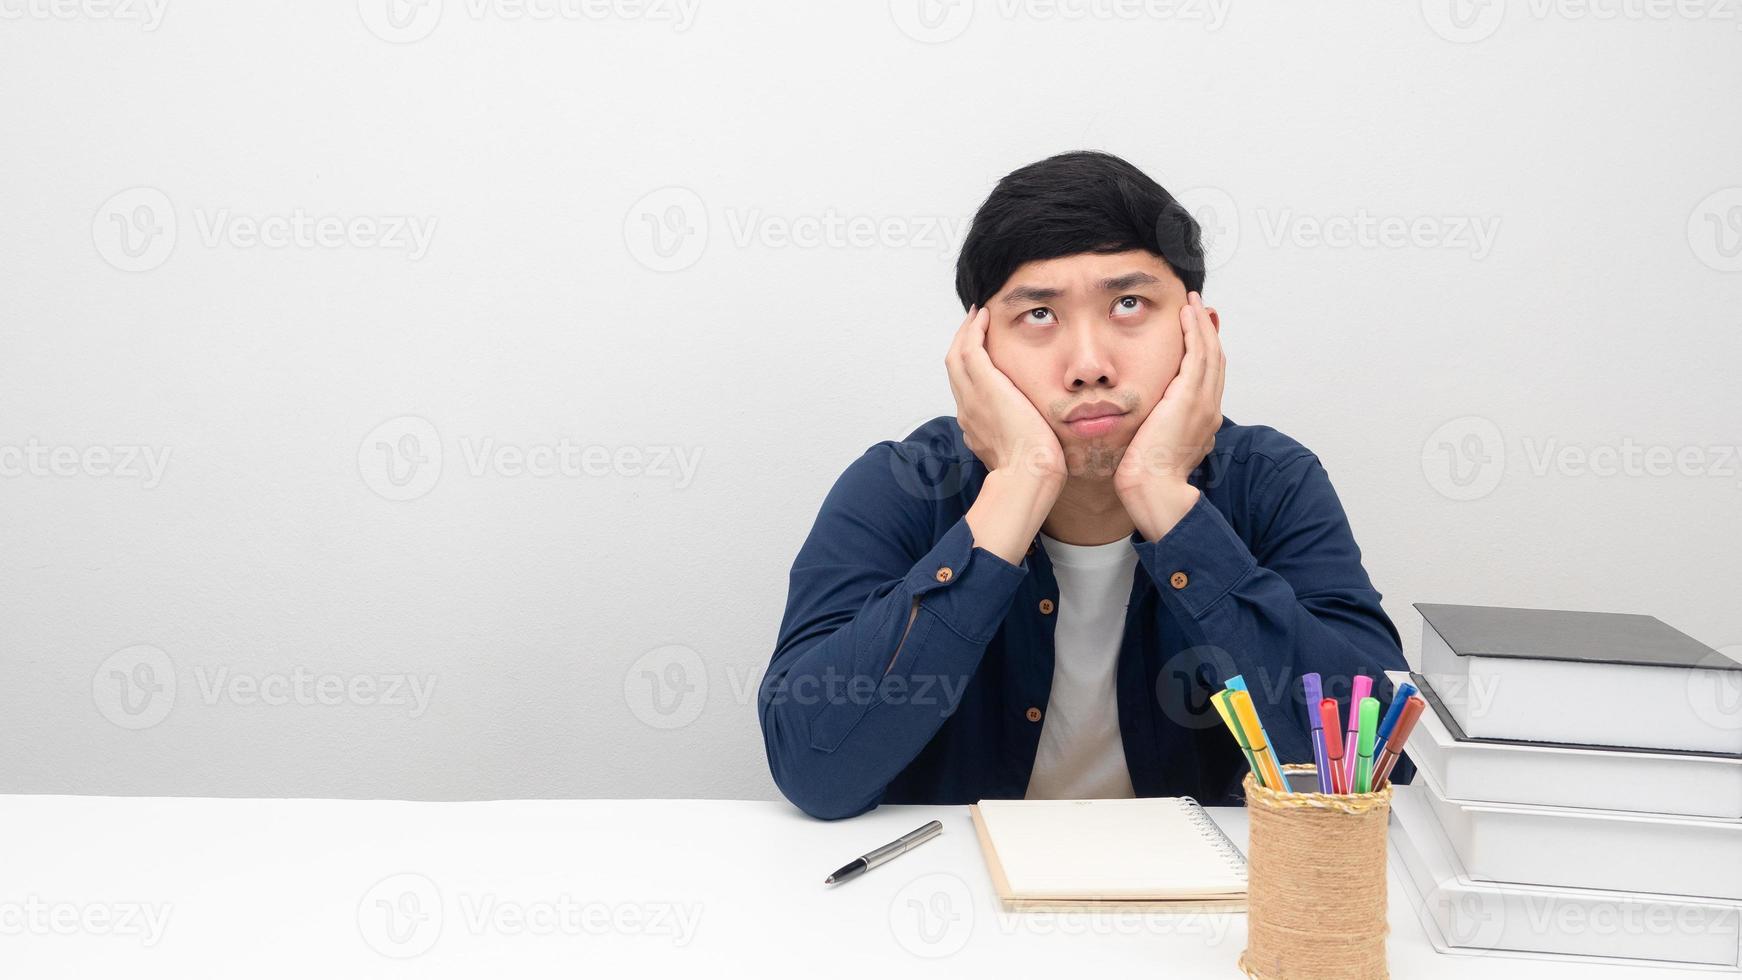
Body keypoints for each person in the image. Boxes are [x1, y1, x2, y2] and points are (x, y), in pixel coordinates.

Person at [759, 150, 1411, 819]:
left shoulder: (1271, 483)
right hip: (954, 901)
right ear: (975, 353)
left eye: (1129, 304)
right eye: (1039, 315)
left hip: (1208, 911)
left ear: (1199, 335)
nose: (1089, 366)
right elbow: (816, 769)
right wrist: (1017, 484)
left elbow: (1373, 772)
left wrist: (1166, 499)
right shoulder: (900, 484)